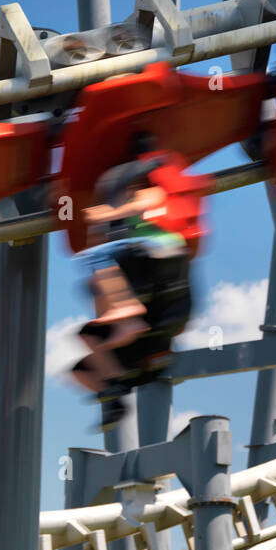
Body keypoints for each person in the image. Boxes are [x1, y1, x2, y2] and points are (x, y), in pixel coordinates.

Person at [71, 154, 197, 429]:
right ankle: (112, 397)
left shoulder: (150, 194)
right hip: (142, 342)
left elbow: (146, 201)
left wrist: (110, 213)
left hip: (160, 251)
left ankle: (126, 314)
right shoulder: (122, 239)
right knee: (81, 353)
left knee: (92, 256)